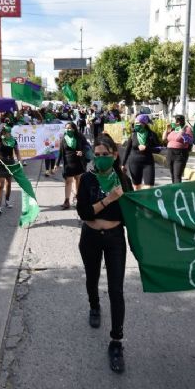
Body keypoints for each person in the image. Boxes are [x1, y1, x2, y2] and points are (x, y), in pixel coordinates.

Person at [76, 134, 133, 374]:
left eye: (104, 155)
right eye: (96, 155)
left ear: (114, 154)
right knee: (91, 278)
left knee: (116, 289)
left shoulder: (123, 178)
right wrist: (109, 199)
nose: (100, 159)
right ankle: (94, 306)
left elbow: (132, 211)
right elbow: (84, 213)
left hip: (114, 240)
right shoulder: (88, 179)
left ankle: (117, 341)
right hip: (90, 237)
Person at [122, 114, 161, 190]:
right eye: (135, 123)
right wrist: (123, 164)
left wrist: (147, 148)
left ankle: (147, 201)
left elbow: (158, 149)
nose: (136, 125)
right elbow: (127, 150)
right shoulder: (133, 135)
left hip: (148, 163)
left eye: (138, 123)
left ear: (144, 124)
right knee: (136, 187)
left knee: (149, 187)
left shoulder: (152, 135)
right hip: (134, 163)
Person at [0, 125, 21, 215]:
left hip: (10, 163)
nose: (9, 134)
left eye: (10, 132)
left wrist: (19, 161)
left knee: (9, 184)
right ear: (2, 132)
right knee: (0, 185)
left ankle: (7, 201)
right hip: (0, 164)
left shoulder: (13, 140)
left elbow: (17, 151)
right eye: (7, 132)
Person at [56, 122, 88, 209]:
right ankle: (67, 201)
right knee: (68, 182)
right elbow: (60, 152)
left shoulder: (80, 136)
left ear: (74, 129)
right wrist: (57, 164)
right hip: (68, 164)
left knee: (78, 181)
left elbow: (86, 147)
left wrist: (82, 152)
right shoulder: (63, 138)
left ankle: (78, 199)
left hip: (79, 162)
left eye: (70, 128)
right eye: (66, 128)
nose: (68, 130)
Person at [162, 115, 194, 183]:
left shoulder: (186, 129)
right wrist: (166, 130)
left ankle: (178, 191)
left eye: (178, 120)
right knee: (173, 174)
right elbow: (164, 139)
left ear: (181, 121)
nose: (176, 122)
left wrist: (182, 133)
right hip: (170, 153)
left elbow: (191, 141)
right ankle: (174, 190)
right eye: (175, 120)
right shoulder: (173, 129)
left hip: (180, 154)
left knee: (177, 175)